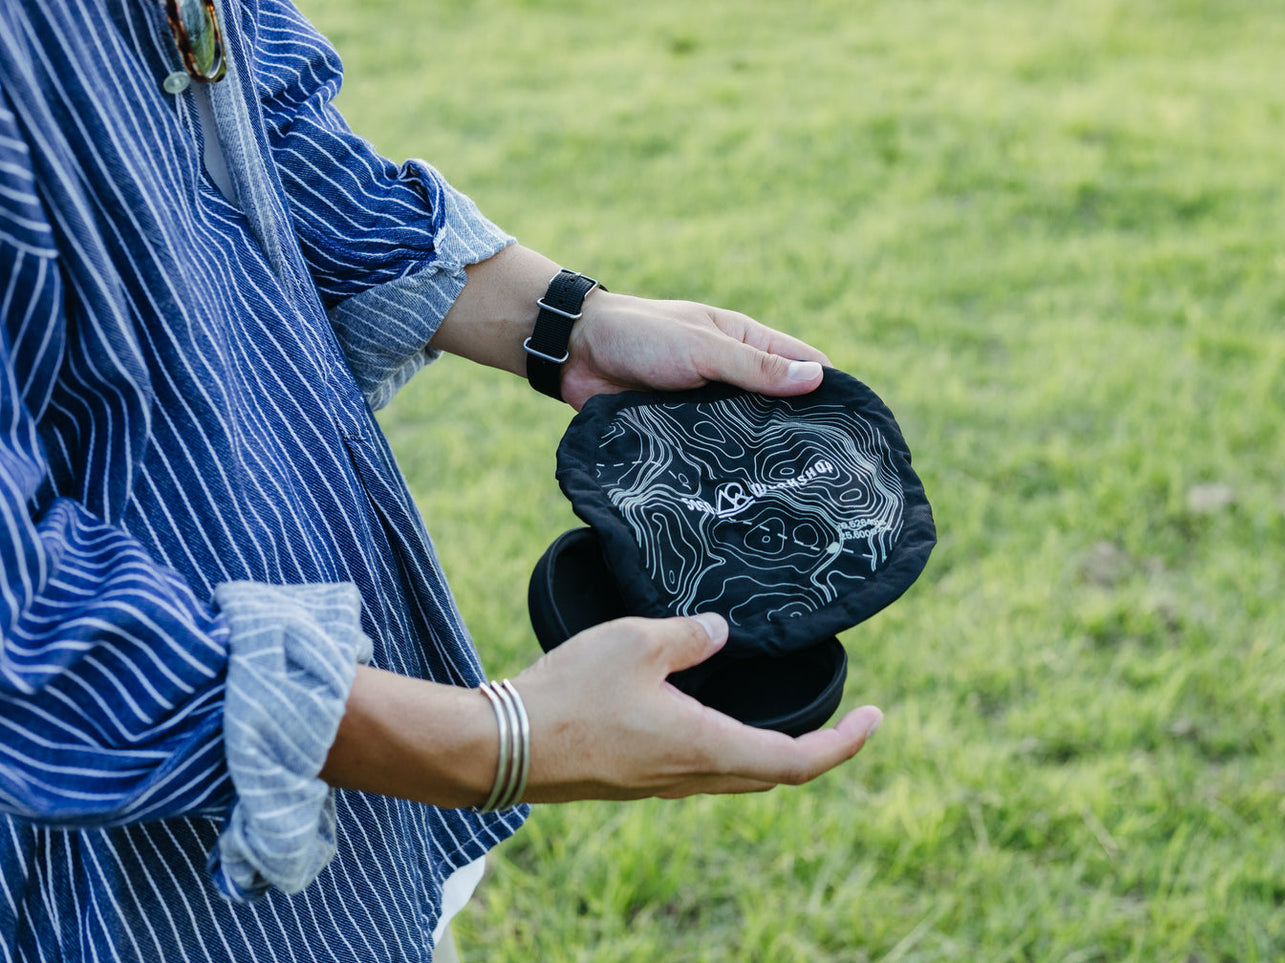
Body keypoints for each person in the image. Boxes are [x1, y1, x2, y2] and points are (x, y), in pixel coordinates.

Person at [0, 0, 882, 960]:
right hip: (115, 896)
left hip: (363, 839)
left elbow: (257, 125)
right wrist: (492, 741)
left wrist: (567, 325)